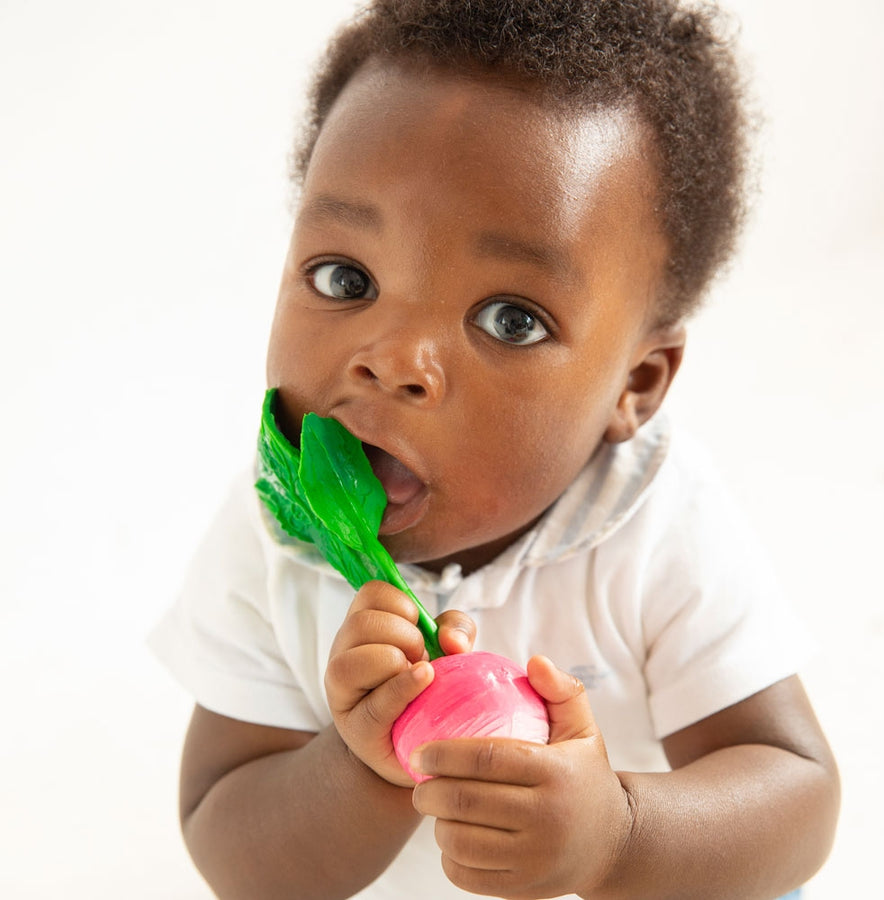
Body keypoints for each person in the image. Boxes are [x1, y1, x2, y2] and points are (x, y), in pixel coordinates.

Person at [150, 1, 840, 897]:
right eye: (344, 277)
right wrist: (363, 762)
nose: (393, 359)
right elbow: (230, 845)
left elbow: (799, 796)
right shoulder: (274, 543)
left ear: (635, 384)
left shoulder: (655, 525)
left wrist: (616, 837)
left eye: (511, 320)